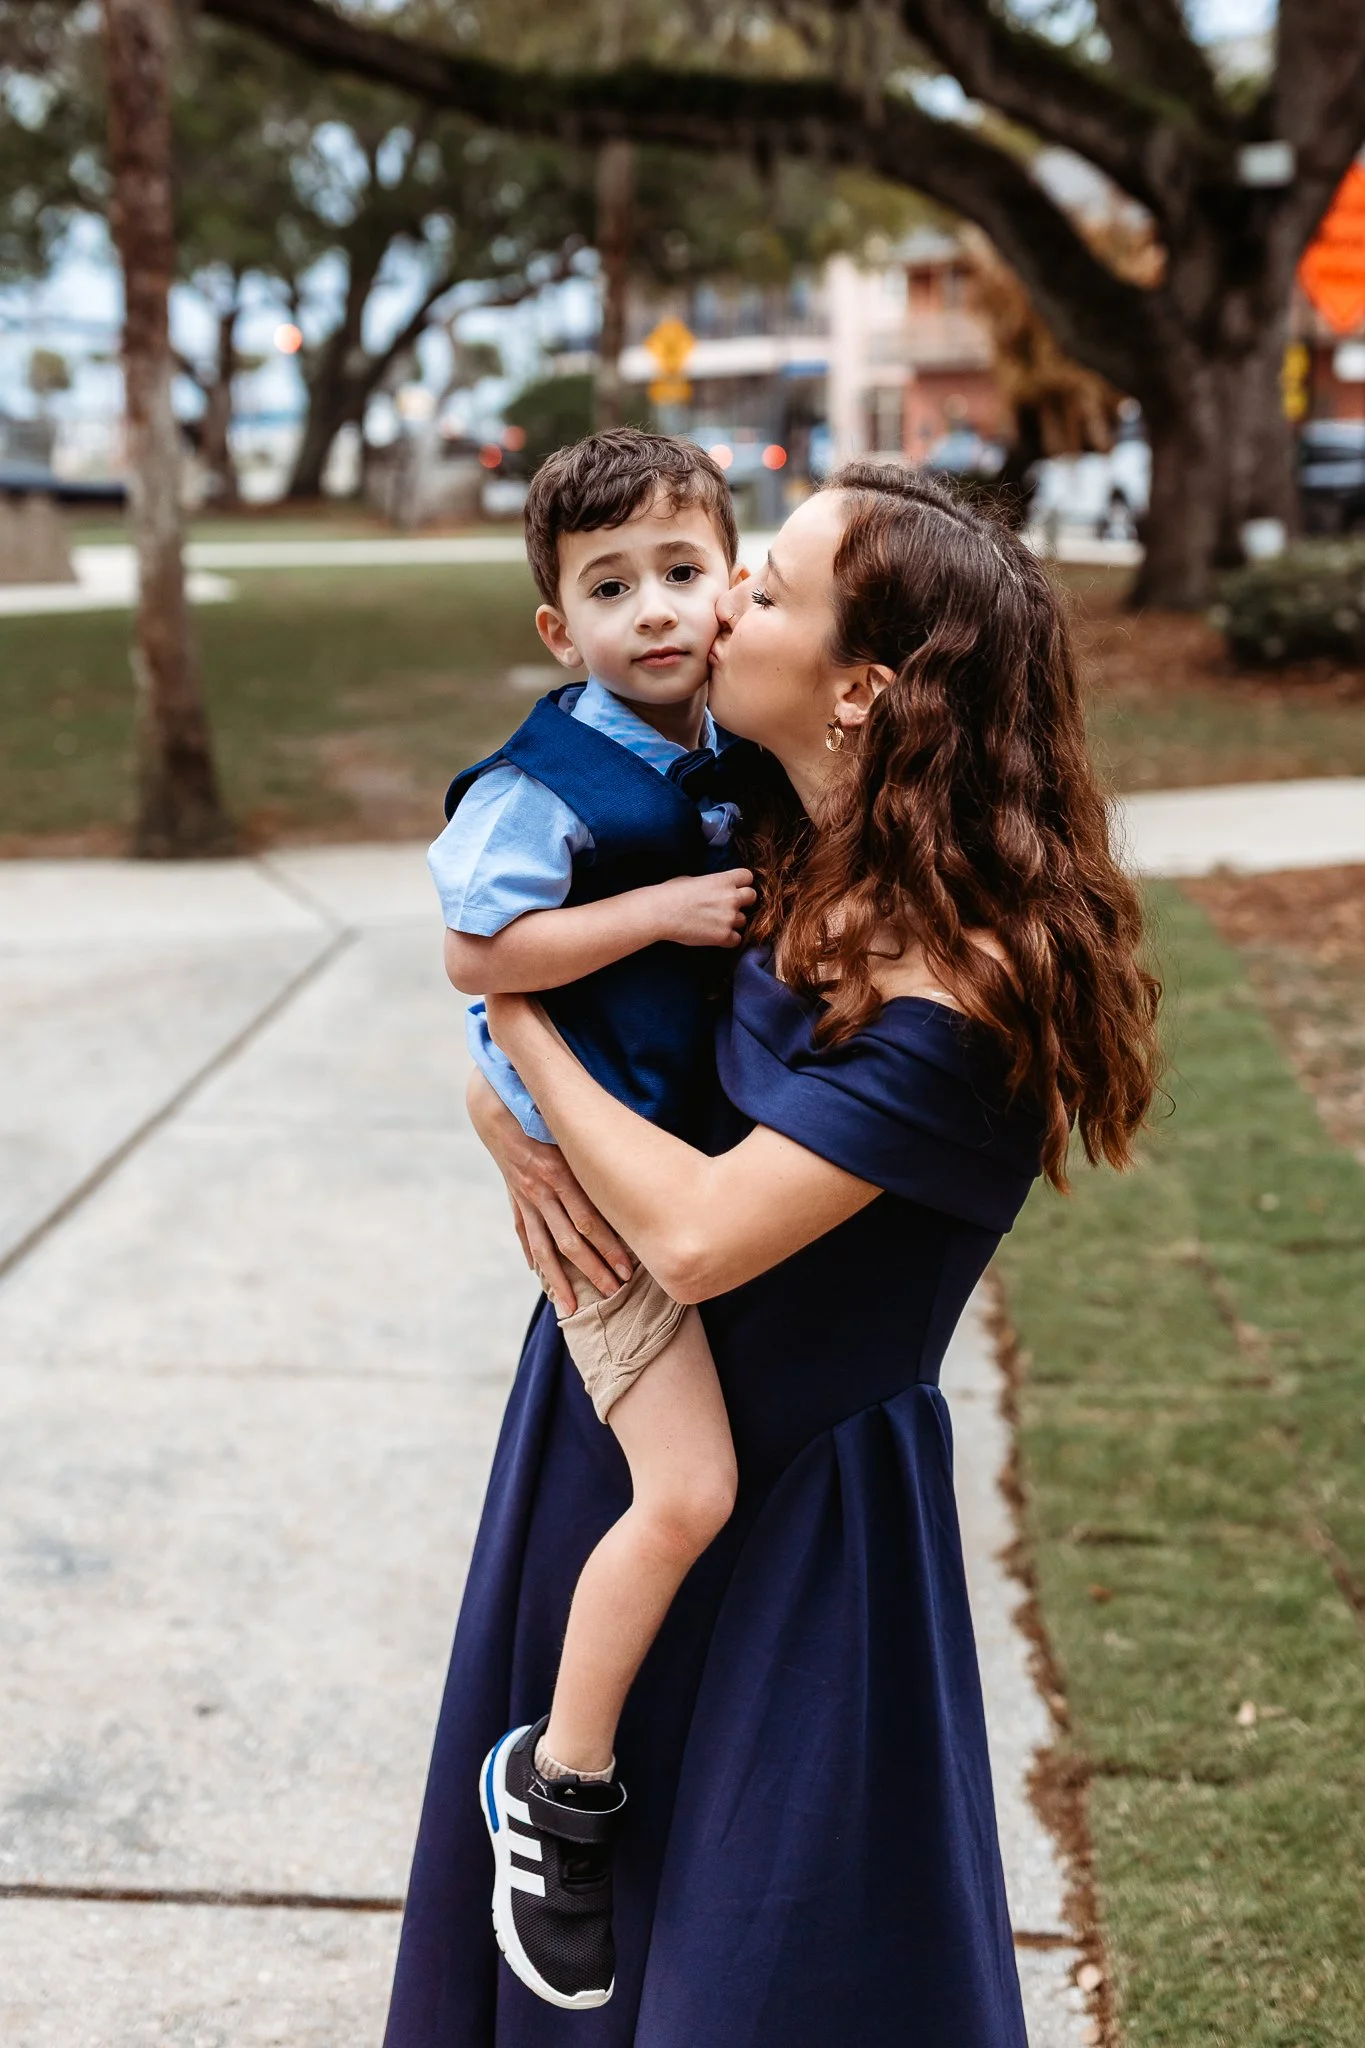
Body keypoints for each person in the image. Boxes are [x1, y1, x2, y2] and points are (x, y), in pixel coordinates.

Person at [385, 464, 1161, 2048]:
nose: (716, 604)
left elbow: (694, 1232)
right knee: (567, 1960)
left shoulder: (970, 987)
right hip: (613, 1434)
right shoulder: (787, 839)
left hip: (797, 1526)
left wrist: (512, 1022)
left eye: (766, 585)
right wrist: (496, 1106)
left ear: (864, 687)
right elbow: (589, 1019)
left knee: (757, 1973)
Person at [427, 429, 759, 2008]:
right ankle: (556, 1789)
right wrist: (662, 915)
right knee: (685, 1490)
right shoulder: (544, 781)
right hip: (607, 1212)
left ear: (736, 580)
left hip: (697, 1174)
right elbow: (477, 956)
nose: (654, 611)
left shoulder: (729, 748)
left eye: (681, 573)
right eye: (609, 588)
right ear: (560, 630)